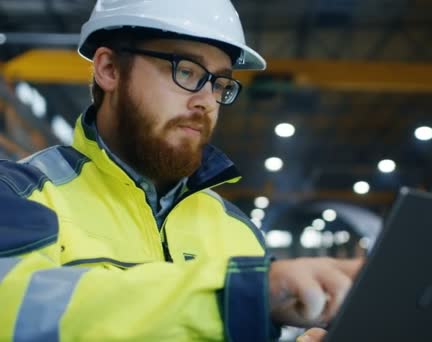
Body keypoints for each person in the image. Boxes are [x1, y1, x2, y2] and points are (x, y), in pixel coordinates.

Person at [0, 0, 361, 340]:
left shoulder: (237, 231)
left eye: (219, 84)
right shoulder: (21, 197)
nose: (205, 101)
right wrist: (232, 296)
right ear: (109, 69)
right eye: (186, 71)